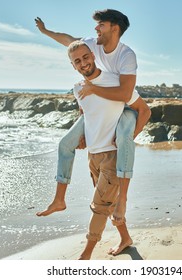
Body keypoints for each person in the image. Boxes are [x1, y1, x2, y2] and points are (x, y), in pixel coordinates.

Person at [35, 9, 149, 223]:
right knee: (65, 144)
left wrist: (94, 90)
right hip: (100, 101)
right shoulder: (93, 43)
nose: (96, 28)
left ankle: (122, 199)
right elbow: (69, 41)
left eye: (101, 24)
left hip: (124, 105)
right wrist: (46, 31)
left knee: (124, 139)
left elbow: (125, 95)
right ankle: (59, 199)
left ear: (114, 28)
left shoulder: (126, 55)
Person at [67, 40, 142, 259]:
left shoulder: (114, 82)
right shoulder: (77, 88)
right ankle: (125, 238)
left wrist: (127, 138)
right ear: (73, 66)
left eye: (85, 57)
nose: (83, 63)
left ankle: (85, 256)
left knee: (99, 207)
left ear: (93, 55)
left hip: (113, 156)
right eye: (77, 61)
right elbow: (86, 115)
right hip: (93, 155)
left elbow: (144, 111)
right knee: (107, 203)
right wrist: (82, 136)